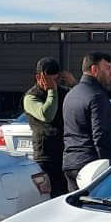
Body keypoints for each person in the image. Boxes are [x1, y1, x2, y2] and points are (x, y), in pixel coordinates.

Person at [62, 52, 111, 189]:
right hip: (92, 166)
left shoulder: (71, 94)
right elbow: (101, 137)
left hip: (71, 164)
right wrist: (110, 167)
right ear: (94, 69)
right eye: (108, 68)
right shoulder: (97, 96)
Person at [23, 56, 75, 197]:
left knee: (66, 194)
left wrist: (74, 85)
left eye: (55, 79)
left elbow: (81, 103)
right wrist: (52, 91)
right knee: (48, 196)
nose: (53, 83)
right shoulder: (31, 97)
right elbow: (47, 115)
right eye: (48, 79)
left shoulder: (63, 92)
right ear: (38, 77)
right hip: (45, 156)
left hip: (64, 153)